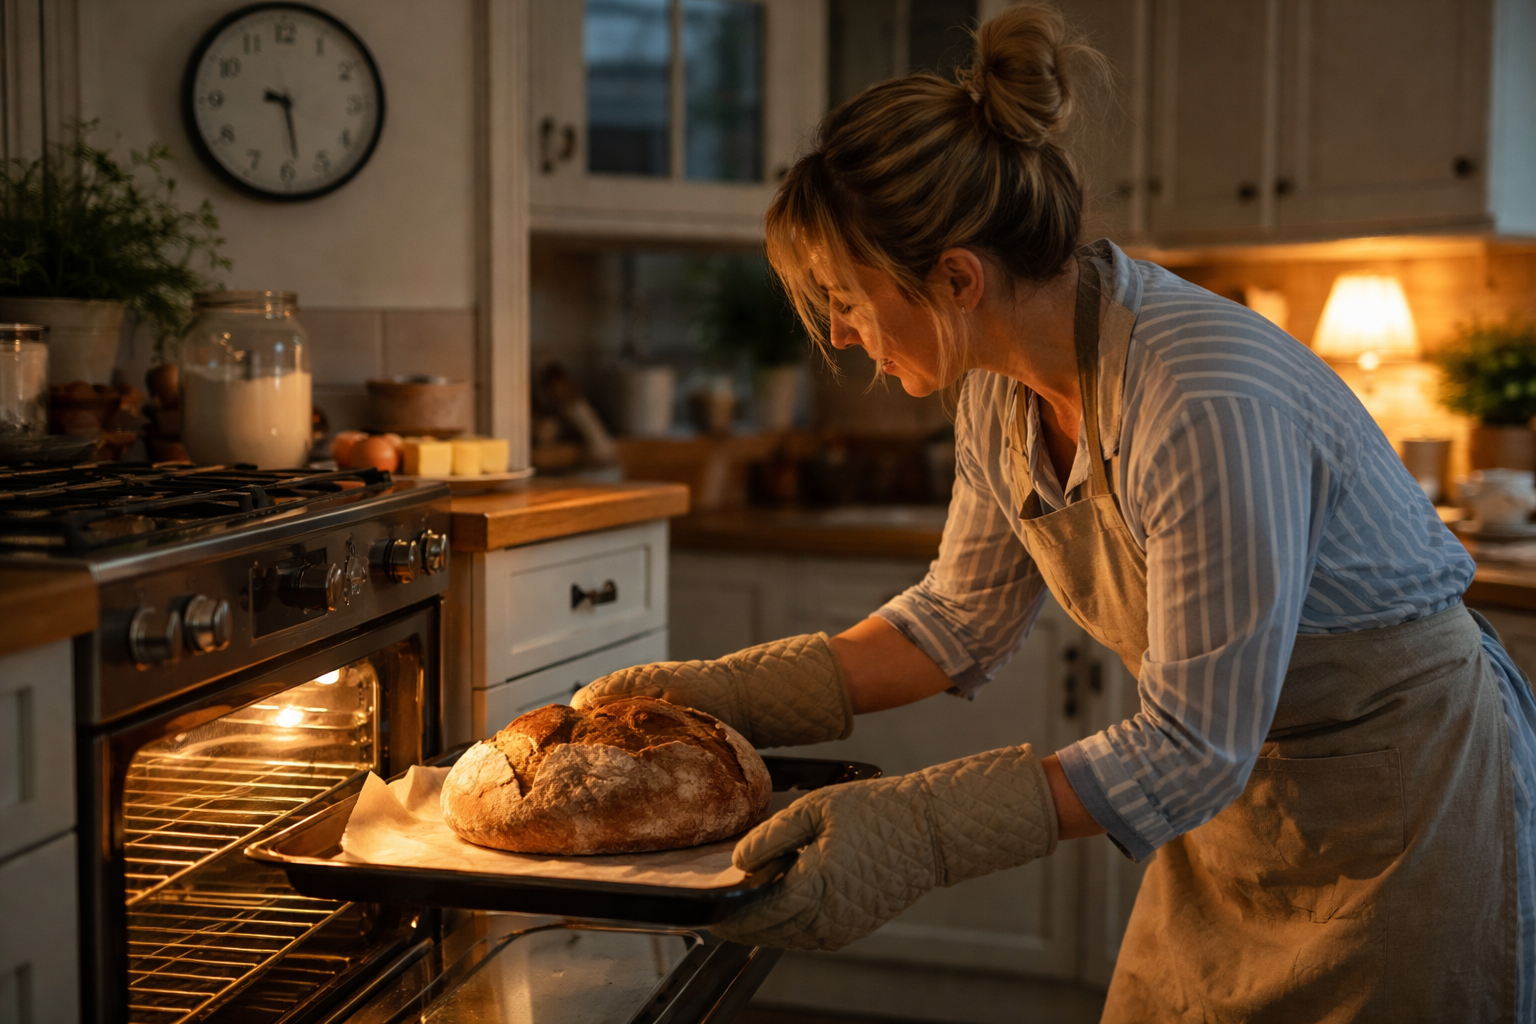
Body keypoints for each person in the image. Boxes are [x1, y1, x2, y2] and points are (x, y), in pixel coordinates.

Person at [573, 4, 1536, 1019]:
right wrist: (720, 697)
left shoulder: (1198, 395)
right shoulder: (997, 381)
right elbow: (954, 622)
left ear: (954, 277)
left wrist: (921, 830)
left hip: (1406, 809)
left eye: (847, 300)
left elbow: (1192, 747)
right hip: (1240, 816)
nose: (845, 337)